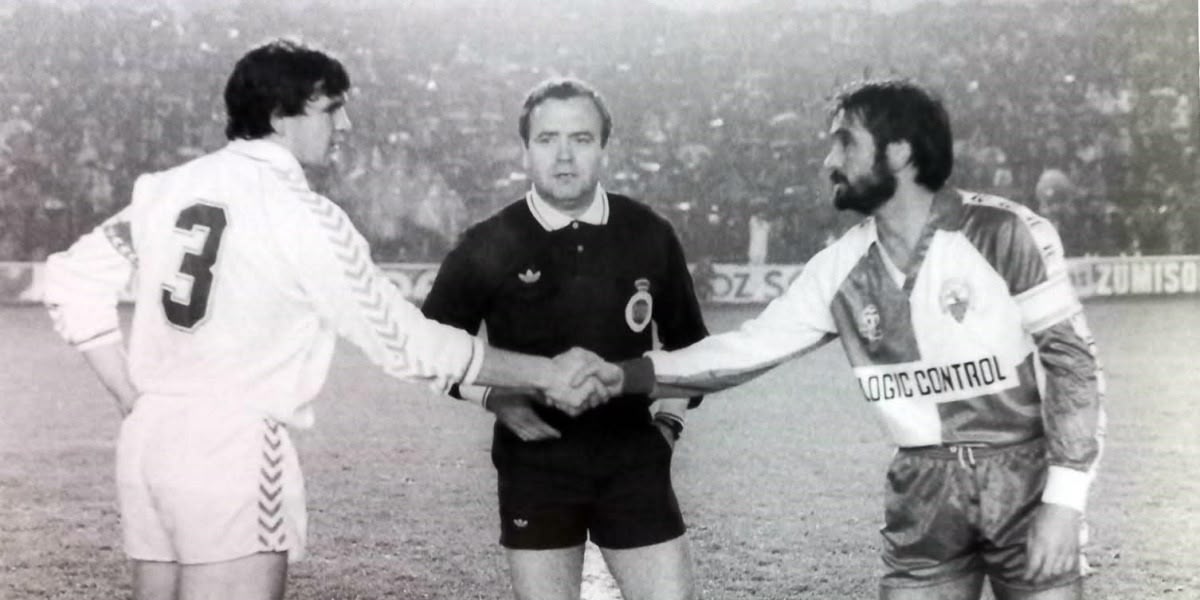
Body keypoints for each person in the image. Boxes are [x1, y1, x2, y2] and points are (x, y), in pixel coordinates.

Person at [41, 40, 613, 600]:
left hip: (149, 443)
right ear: (278, 116)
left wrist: (129, 395)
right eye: (331, 108)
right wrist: (544, 373)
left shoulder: (164, 191)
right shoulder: (304, 215)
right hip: (233, 450)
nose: (346, 125)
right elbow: (404, 343)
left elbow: (67, 281)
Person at [601, 79, 1106, 599]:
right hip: (922, 489)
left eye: (845, 142)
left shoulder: (1005, 232)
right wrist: (621, 375)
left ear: (901, 151)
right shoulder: (839, 267)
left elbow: (1073, 366)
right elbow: (745, 351)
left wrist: (1064, 502)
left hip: (1022, 479)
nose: (828, 160)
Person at [420, 77, 708, 600]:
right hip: (536, 462)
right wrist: (493, 396)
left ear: (603, 148)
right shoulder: (486, 243)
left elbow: (693, 348)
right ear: (525, 150)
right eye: (547, 139)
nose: (564, 156)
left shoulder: (649, 232)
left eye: (581, 139)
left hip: (632, 460)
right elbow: (426, 347)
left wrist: (669, 423)